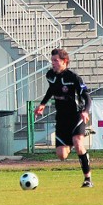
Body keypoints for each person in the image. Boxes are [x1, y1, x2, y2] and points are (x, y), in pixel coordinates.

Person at [34, 48, 93, 188]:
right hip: (61, 119)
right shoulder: (50, 75)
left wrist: (85, 111)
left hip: (76, 116)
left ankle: (87, 179)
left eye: (56, 60)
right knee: (62, 155)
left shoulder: (74, 78)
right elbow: (51, 89)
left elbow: (87, 97)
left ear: (64, 61)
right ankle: (76, 147)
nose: (53, 63)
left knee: (78, 143)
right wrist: (42, 104)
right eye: (52, 60)